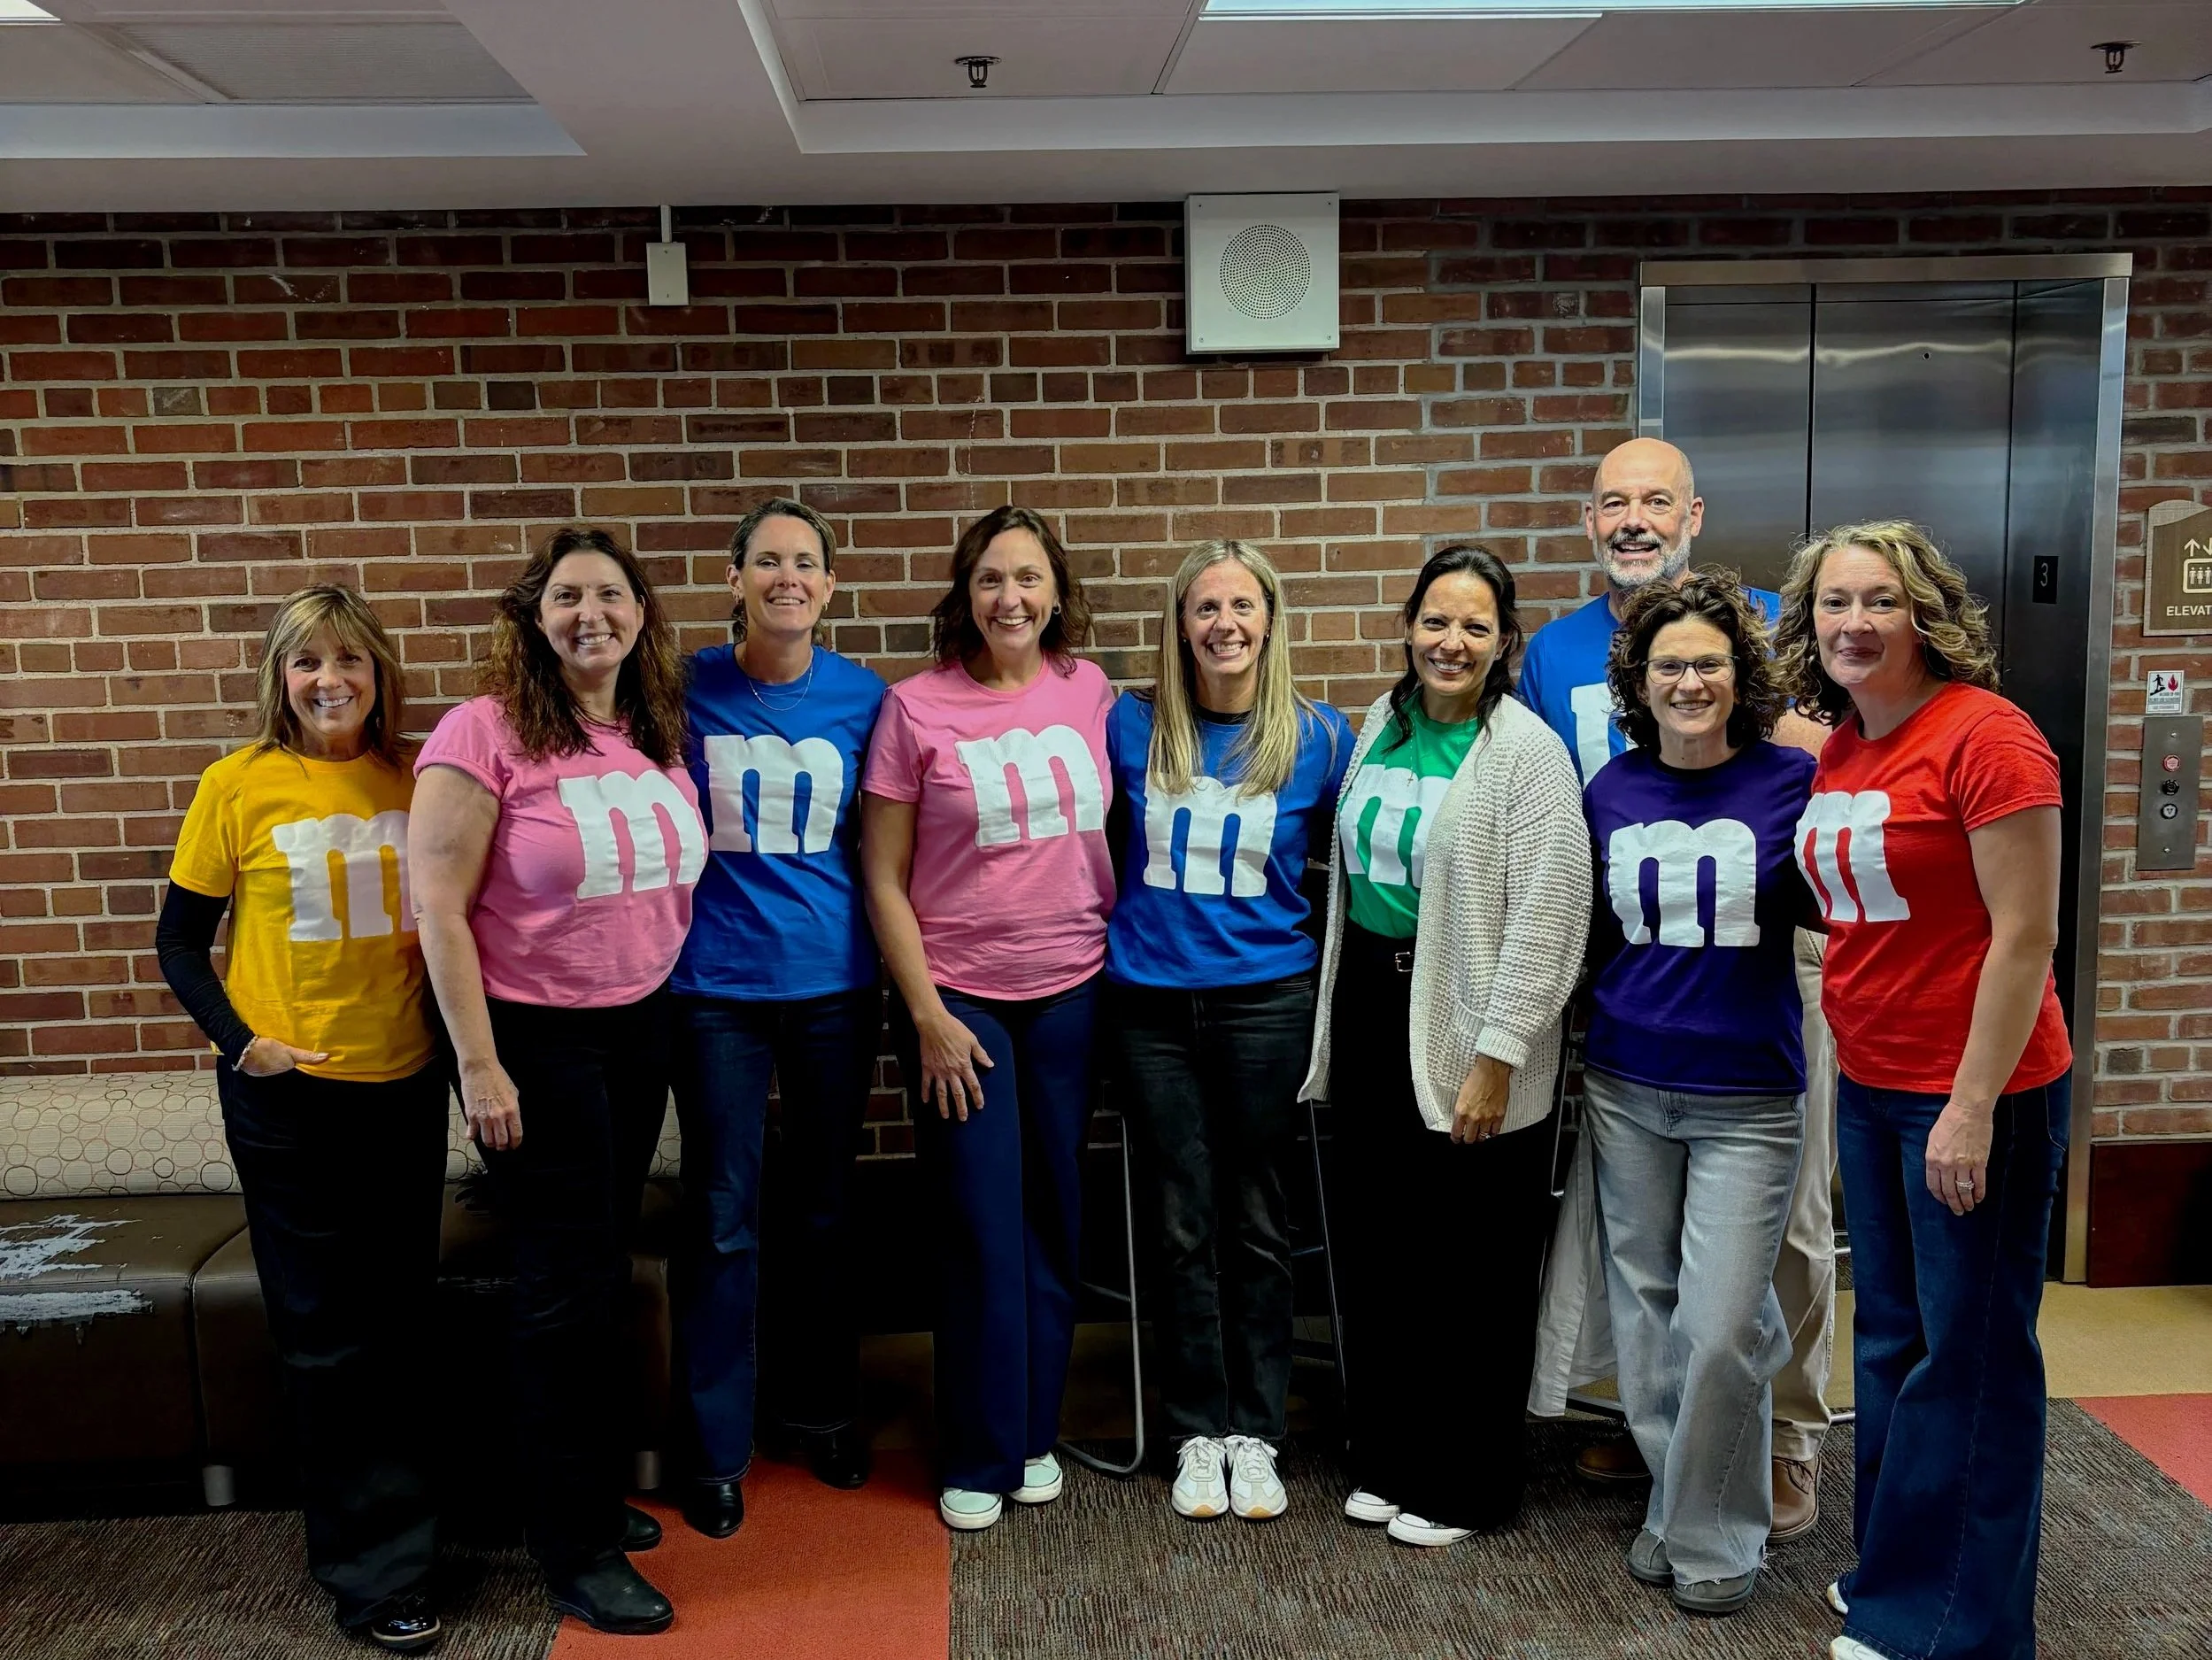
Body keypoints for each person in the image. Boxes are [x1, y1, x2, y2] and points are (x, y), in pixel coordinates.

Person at [1522, 436, 1838, 1542]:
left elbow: (1818, 767)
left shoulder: (1757, 621)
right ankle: (1682, 1441)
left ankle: (1787, 1440)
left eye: (1656, 499)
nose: (1634, 518)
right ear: (1590, 520)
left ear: (1693, 511)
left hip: (1764, 950)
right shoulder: (1555, 649)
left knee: (1780, 1236)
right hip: (1637, 955)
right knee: (1641, 1249)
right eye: (1615, 502)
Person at [1774, 522, 2072, 1660]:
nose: (1854, 623)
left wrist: (1970, 1106)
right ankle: (1898, 1570)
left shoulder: (1989, 739)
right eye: (1833, 603)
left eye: (1881, 601)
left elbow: (2026, 935)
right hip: (1875, 1081)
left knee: (1976, 1358)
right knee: (1893, 1342)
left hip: (1975, 1095)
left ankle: (1955, 1626)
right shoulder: (1849, 743)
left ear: (1927, 614)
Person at [411, 527, 704, 1637]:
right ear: (536, 615)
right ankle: (571, 1547)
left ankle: (571, 1494)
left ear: (642, 614)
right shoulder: (481, 730)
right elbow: (437, 908)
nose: (596, 613)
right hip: (532, 1045)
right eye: (571, 595)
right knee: (564, 1290)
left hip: (638, 1036)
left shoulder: (651, 727)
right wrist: (479, 1062)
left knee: (594, 1272)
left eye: (615, 595)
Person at [157, 586, 447, 1655]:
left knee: (402, 1326)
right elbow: (180, 942)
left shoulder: (419, 777)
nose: (332, 682)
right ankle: (374, 1579)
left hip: (405, 1090)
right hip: (290, 1105)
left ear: (381, 675)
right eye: (308, 663)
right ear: (279, 678)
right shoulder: (237, 785)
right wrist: (245, 1043)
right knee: (330, 1343)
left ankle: (417, 1537)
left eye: (353, 663)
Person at [1299, 544, 1589, 1546]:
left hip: (1476, 1030)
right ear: (1408, 627)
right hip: (1376, 1017)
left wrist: (1499, 1053)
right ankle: (1389, 1457)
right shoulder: (1379, 726)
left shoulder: (1527, 753)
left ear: (1504, 642)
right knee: (1386, 1254)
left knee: (1473, 1268)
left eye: (1474, 626)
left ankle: (1467, 1485)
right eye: (1435, 620)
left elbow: (1552, 915)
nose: (1450, 641)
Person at [859, 504, 1115, 1533]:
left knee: (1054, 1216)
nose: (1011, 599)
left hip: (1072, 986)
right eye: (989, 582)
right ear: (964, 598)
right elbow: (880, 878)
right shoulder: (915, 708)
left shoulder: (1088, 688)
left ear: (1056, 591)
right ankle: (975, 1447)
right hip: (960, 1002)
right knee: (976, 1226)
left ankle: (1032, 1433)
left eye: (1028, 579)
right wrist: (922, 1013)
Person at [1583, 574, 1820, 1616]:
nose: (1689, 681)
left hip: (1749, 1100)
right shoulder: (1611, 790)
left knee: (1722, 1326)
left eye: (1708, 664)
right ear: (1640, 679)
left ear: (1741, 677)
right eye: (1669, 664)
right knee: (1648, 1317)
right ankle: (1681, 1512)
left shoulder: (1791, 783)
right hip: (1625, 1085)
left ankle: (1714, 1533)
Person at [1104, 540, 1351, 1524]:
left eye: (1242, 606)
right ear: (1180, 625)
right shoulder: (1127, 728)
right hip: (1150, 1005)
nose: (1224, 625)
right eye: (1205, 607)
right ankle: (1195, 1430)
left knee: (1255, 1217)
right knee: (1181, 1217)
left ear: (1270, 620)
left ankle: (1260, 1430)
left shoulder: (1320, 737)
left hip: (1265, 1003)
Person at [669, 498, 887, 1538]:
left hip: (836, 987)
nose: (786, 577)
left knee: (826, 1209)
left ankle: (825, 1412)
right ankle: (715, 1445)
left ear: (830, 586)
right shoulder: (684, 688)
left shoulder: (864, 699)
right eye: (767, 560)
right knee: (721, 1215)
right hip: (714, 990)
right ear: (737, 577)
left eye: (806, 561)